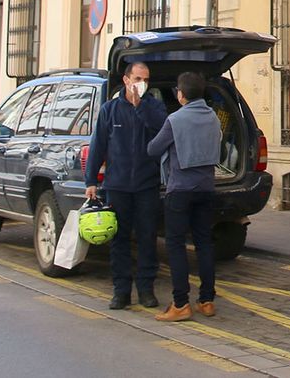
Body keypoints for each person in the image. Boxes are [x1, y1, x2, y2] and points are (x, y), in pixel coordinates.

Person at [84, 58, 168, 310]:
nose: (142, 84)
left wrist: (140, 106)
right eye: (138, 79)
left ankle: (146, 289)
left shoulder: (154, 107)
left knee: (146, 238)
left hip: (146, 185)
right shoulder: (110, 110)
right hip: (117, 186)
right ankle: (121, 291)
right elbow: (98, 145)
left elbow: (162, 130)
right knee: (119, 240)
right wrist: (91, 180)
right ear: (126, 80)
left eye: (146, 80)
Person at [145, 70, 221, 321]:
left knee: (176, 245)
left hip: (180, 189)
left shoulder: (175, 120)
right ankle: (207, 300)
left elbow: (154, 148)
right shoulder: (213, 117)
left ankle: (180, 304)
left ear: (181, 95)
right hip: (206, 187)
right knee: (204, 243)